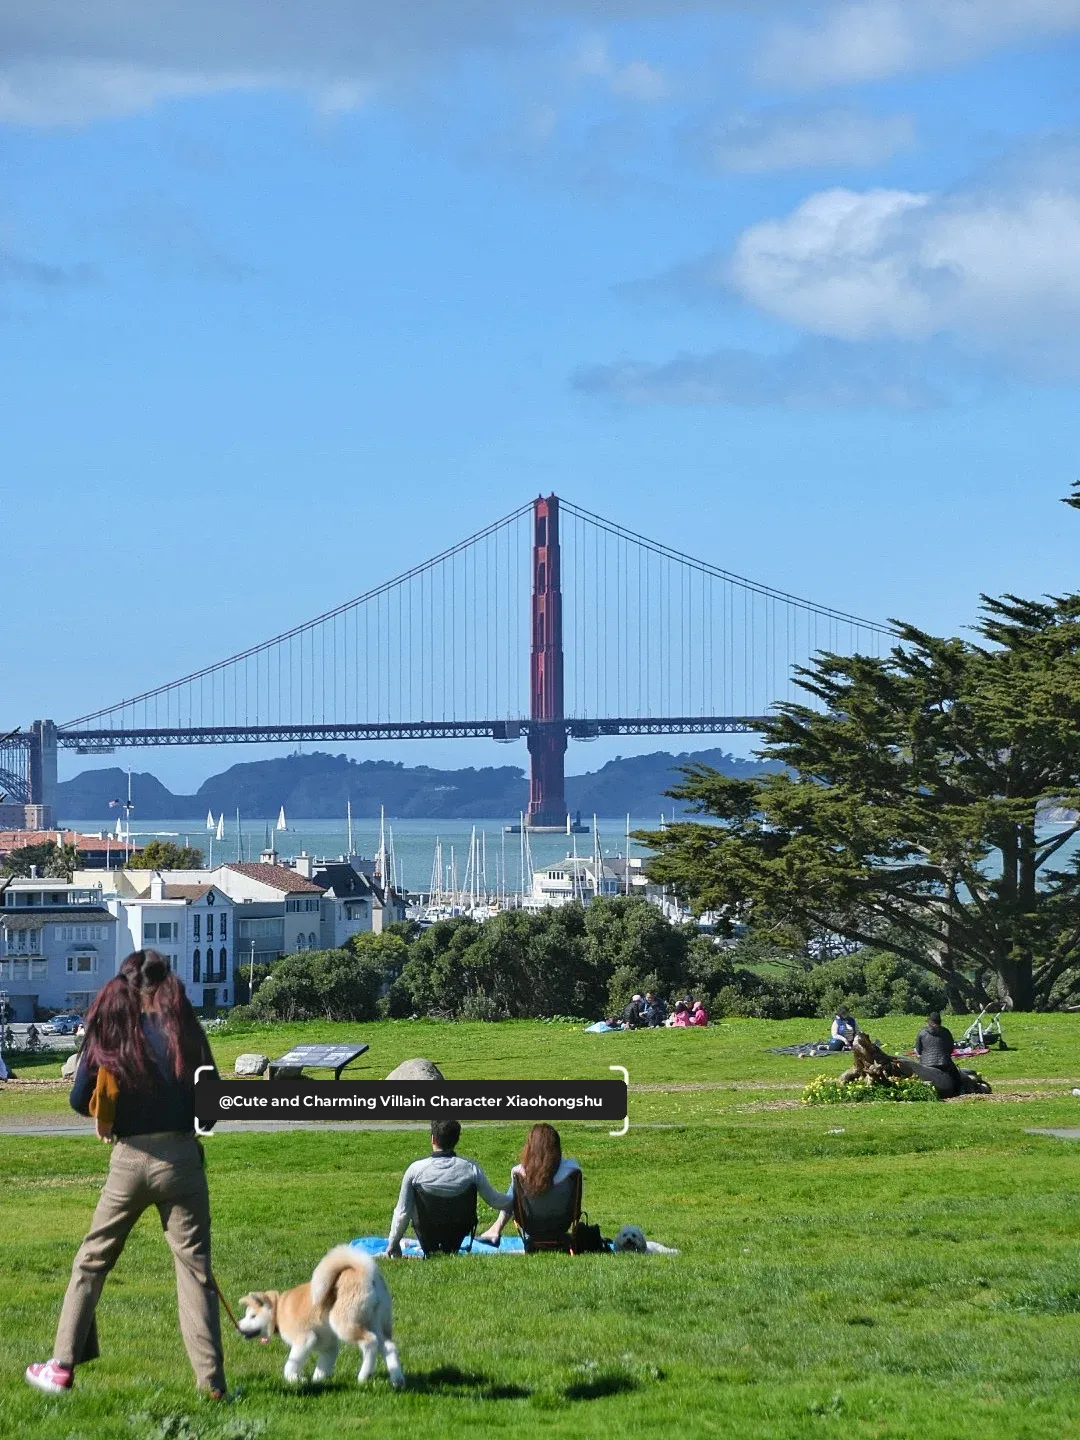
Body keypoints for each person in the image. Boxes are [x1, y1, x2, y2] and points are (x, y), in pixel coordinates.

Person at [24, 951, 225, 1399]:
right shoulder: (185, 1027)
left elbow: (79, 1099)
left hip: (130, 1157)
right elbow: (212, 1096)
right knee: (195, 1273)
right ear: (167, 982)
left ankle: (60, 1366)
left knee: (92, 1261)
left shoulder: (113, 1029)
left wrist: (109, 1113)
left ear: (126, 983)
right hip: (182, 1158)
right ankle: (212, 1385)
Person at [386, 1118, 513, 1257]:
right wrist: (518, 1197)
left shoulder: (415, 1170)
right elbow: (494, 1200)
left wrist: (393, 1243)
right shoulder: (471, 1168)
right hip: (459, 1231)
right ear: (456, 1140)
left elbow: (402, 1212)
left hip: (427, 1231)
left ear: (433, 1139)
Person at [479, 1123, 581, 1247]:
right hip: (562, 1223)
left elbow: (513, 1203)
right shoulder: (573, 1170)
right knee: (517, 1186)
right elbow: (576, 1201)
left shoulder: (519, 1172)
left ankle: (496, 1229)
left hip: (531, 1225)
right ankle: (495, 1229)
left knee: (515, 1188)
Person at [915, 1011, 962, 1084]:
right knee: (957, 1076)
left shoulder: (922, 1032)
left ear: (929, 1021)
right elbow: (951, 1049)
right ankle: (961, 1090)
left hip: (925, 1064)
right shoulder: (946, 1032)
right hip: (944, 1063)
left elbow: (918, 1050)